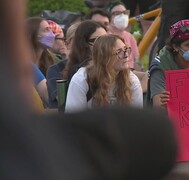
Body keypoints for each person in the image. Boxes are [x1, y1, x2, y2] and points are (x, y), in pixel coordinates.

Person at [0, 1, 178, 179]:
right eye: (120, 52)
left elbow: (137, 122)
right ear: (104, 55)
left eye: (127, 51)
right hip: (86, 145)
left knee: (158, 132)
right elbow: (72, 128)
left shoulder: (130, 79)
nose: (126, 56)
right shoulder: (80, 78)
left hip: (118, 142)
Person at [65, 34, 143, 112]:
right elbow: (73, 120)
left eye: (126, 49)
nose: (126, 55)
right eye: (119, 52)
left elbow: (136, 120)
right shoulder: (82, 79)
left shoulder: (132, 81)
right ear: (104, 58)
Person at [46, 22, 80, 108]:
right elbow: (65, 103)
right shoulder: (56, 70)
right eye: (78, 40)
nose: (84, 45)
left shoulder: (101, 67)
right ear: (67, 44)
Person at [107, 1, 140, 70]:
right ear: (109, 16)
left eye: (125, 13)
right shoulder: (106, 36)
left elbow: (137, 61)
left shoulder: (129, 36)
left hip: (131, 72)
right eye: (117, 13)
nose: (122, 16)